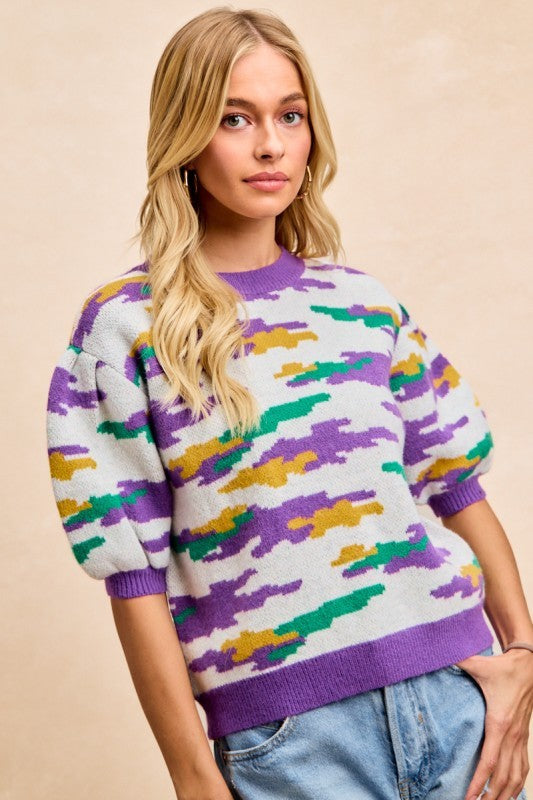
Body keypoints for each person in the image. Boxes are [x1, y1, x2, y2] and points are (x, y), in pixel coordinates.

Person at [45, 6, 533, 800]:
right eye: (234, 118)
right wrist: (193, 777)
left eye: (290, 116)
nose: (269, 145)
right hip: (291, 743)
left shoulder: (363, 305)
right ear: (185, 136)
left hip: (454, 700)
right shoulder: (128, 327)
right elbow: (131, 571)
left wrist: (521, 659)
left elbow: (458, 484)